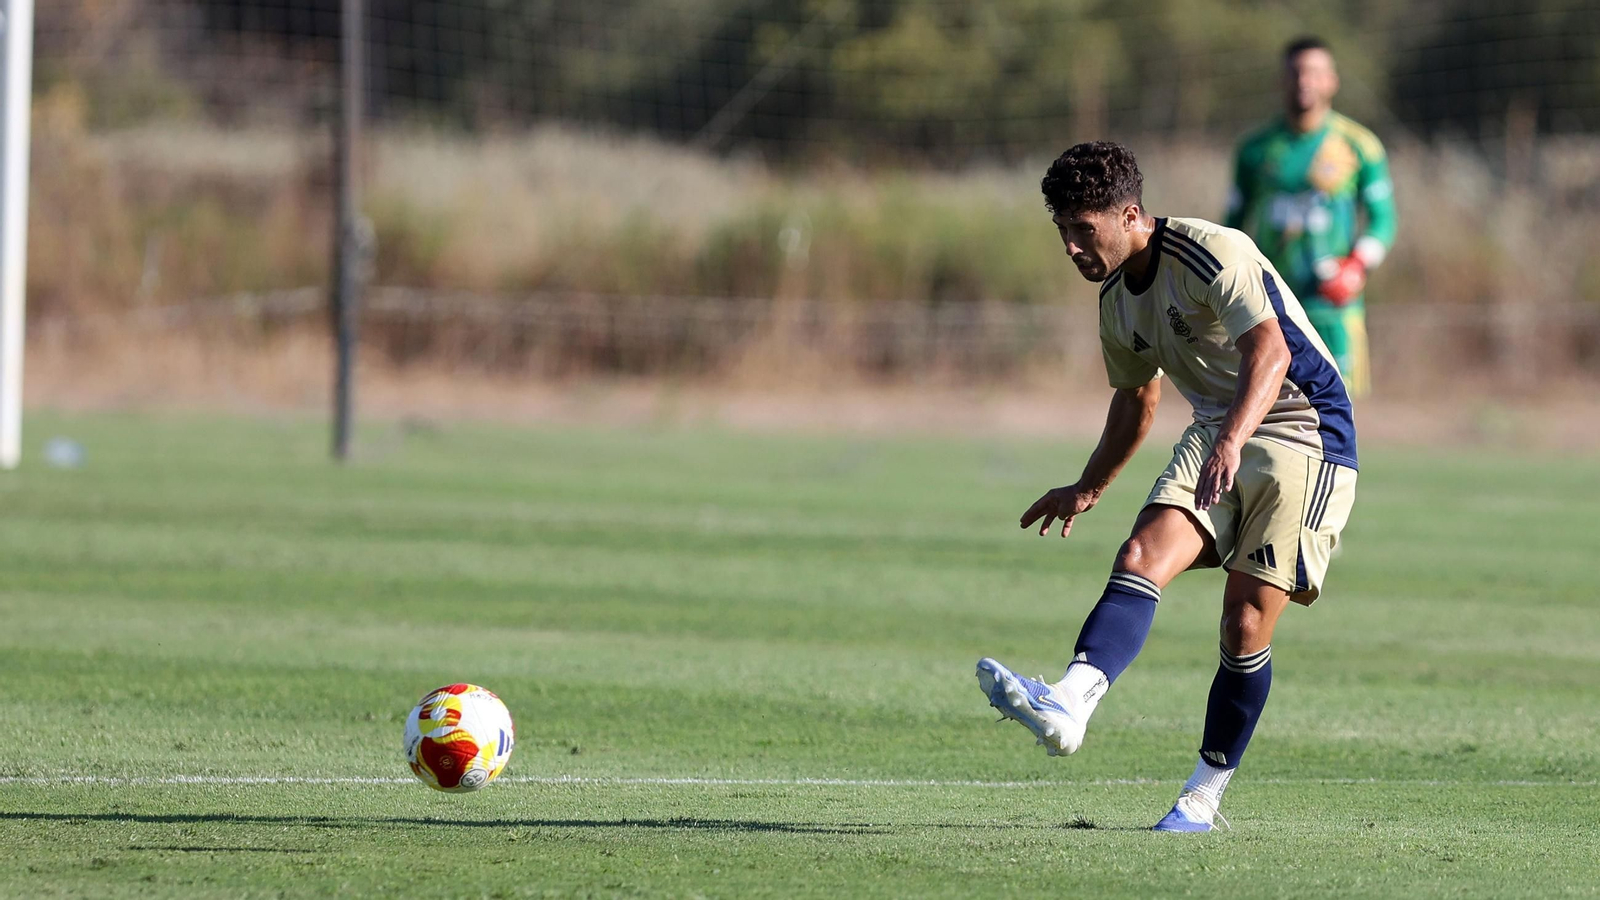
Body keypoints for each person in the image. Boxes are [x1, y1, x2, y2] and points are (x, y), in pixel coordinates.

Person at [976, 141, 1358, 832]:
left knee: (1244, 623)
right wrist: (1089, 485)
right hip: (1221, 427)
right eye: (1061, 230)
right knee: (1138, 558)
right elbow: (1136, 400)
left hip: (1305, 427)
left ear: (1129, 215)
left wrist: (1236, 441)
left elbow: (1269, 351)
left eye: (1081, 229)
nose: (1069, 246)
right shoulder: (1116, 300)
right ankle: (1070, 702)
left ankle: (1202, 798)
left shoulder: (1214, 251)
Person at [1225, 36, 1396, 397]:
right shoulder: (1255, 150)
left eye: (1315, 73)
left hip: (1332, 305)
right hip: (1271, 305)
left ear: (1332, 81)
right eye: (1296, 72)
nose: (1305, 81)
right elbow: (1232, 228)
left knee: (1337, 414)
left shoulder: (1358, 145)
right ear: (1282, 81)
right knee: (1270, 412)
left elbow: (1383, 220)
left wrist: (1356, 266)